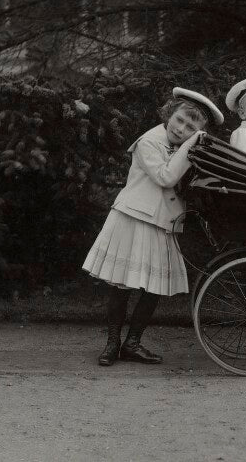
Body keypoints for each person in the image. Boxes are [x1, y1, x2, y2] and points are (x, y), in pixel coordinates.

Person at [82, 87, 224, 366]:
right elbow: (165, 177)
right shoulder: (149, 141)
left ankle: (132, 343)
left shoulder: (185, 146)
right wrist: (192, 143)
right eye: (179, 120)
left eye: (191, 127)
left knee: (153, 288)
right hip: (133, 218)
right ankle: (112, 343)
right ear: (169, 113)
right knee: (121, 284)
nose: (181, 129)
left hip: (162, 223)